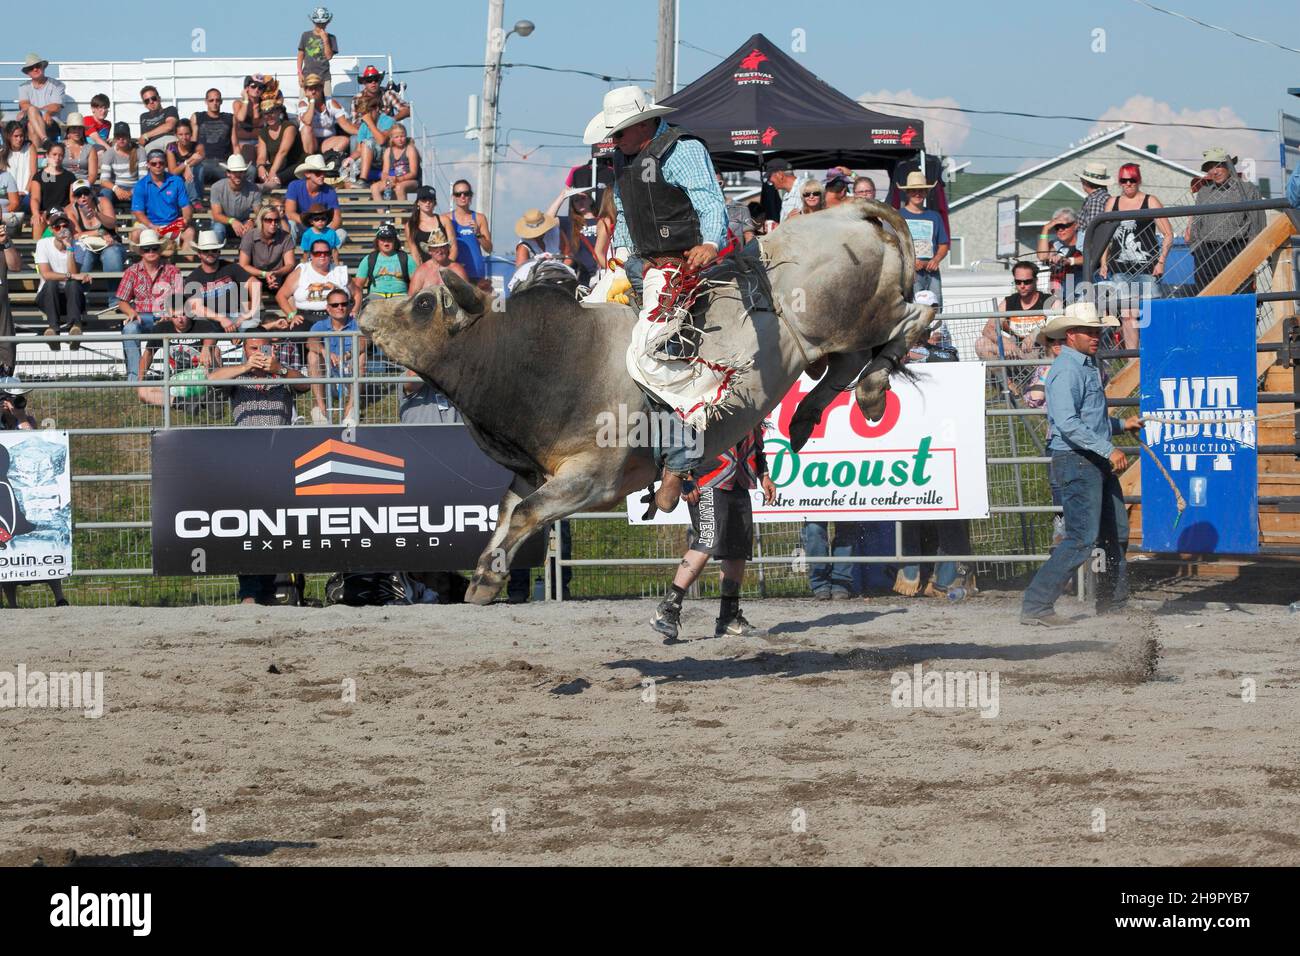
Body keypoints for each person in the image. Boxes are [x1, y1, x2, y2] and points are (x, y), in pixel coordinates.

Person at [582, 85, 728, 512]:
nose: (614, 141)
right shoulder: (624, 158)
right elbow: (624, 217)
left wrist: (711, 243)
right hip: (642, 266)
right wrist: (627, 259)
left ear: (642, 124)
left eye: (620, 132)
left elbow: (708, 201)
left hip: (681, 264)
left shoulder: (681, 149)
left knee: (648, 352)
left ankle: (679, 461)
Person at [1020, 303, 1141, 626]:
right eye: (1089, 331)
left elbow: (1088, 420)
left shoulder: (1084, 366)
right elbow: (1068, 424)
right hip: (1078, 460)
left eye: (1097, 330)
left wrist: (1120, 427)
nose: (1096, 336)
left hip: (1090, 459)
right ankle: (1037, 604)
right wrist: (1108, 447)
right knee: (1081, 537)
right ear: (1071, 335)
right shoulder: (1067, 370)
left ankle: (1112, 602)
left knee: (1113, 532)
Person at [208, 333, 310, 604]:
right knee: (248, 529)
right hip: (246, 461)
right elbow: (210, 380)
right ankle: (250, 592)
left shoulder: (281, 374)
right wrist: (245, 367)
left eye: (263, 348)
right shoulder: (238, 376)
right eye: (253, 348)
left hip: (282, 460)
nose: (259, 352)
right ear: (243, 349)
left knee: (286, 528)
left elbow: (306, 385)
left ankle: (289, 591)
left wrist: (281, 369)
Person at [651, 425, 776, 642]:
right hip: (707, 478)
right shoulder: (703, 395)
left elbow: (755, 435)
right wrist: (685, 478)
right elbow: (682, 433)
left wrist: (763, 473)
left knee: (737, 549)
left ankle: (728, 619)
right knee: (708, 539)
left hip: (740, 478)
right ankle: (667, 608)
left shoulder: (749, 396)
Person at [0, 376, 70, 609]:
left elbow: (34, 442)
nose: (20, 403)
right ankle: (12, 603)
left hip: (29, 488)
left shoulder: (26, 419)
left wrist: (20, 418)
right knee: (7, 549)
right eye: (15, 400)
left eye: (22, 399)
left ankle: (59, 597)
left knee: (44, 541)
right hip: (6, 489)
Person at [1098, 163, 1171, 350]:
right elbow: (1105, 236)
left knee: (1151, 313)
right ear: (1119, 182)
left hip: (1147, 267)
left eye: (1132, 180)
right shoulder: (1112, 203)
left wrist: (1161, 262)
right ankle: (1132, 358)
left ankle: (1155, 352)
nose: (1128, 184)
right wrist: (1103, 261)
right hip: (1120, 268)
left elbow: (1168, 234)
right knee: (1127, 313)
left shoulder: (1150, 201)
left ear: (1138, 180)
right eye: (1124, 180)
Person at [1187, 147, 1267, 294]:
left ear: (1229, 166)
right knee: (1206, 300)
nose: (1214, 171)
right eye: (1209, 168)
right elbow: (1196, 224)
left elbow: (1258, 225)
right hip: (1206, 254)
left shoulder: (1248, 189)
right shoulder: (1204, 192)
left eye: (1218, 165)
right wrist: (1197, 249)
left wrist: (1249, 255)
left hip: (1237, 250)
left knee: (1239, 298)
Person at [115, 229, 185, 379]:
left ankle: (180, 375)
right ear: (141, 251)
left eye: (154, 248)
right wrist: (131, 312)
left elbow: (179, 299)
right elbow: (122, 301)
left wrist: (170, 315)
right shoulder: (131, 272)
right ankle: (135, 379)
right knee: (130, 328)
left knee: (178, 324)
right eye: (147, 249)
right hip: (143, 317)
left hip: (167, 317)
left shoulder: (173, 271)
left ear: (160, 249)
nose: (151, 251)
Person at [306, 286, 366, 424]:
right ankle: (320, 409)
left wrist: (347, 355)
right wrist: (324, 351)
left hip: (350, 375)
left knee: (361, 357)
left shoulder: (357, 324)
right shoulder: (320, 325)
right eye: (335, 305)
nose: (340, 307)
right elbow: (310, 342)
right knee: (312, 356)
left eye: (344, 304)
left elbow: (364, 343)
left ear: (350, 306)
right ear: (328, 308)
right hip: (327, 378)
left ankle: (350, 410)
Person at [976, 261, 1054, 361]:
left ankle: (1045, 376)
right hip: (1015, 353)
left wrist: (1036, 334)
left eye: (1027, 282)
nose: (1022, 286)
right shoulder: (1009, 302)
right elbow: (987, 329)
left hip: (1041, 352)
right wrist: (1006, 343)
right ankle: (1003, 376)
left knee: (1055, 347)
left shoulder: (1049, 301)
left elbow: (1057, 324)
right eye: (1018, 282)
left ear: (1036, 280)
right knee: (981, 343)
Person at [34, 212, 89, 351]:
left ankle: (75, 329)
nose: (62, 229)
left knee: (73, 285)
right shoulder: (42, 244)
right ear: (52, 230)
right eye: (57, 227)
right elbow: (46, 274)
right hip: (48, 297)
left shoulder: (80, 245)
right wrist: (72, 276)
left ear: (70, 227)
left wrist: (69, 247)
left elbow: (74, 274)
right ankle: (53, 330)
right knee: (52, 283)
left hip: (72, 298)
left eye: (65, 225)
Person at [276, 237, 351, 335]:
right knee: (295, 340)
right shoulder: (302, 271)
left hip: (335, 318)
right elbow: (281, 296)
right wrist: (291, 315)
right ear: (311, 255)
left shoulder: (339, 271)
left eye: (326, 253)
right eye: (317, 253)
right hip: (305, 318)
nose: (322, 255)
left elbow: (357, 293)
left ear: (330, 254)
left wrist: (354, 310)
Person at [898, 170, 949, 306]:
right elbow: (895, 245)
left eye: (921, 190)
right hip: (910, 273)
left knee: (936, 309)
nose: (918, 194)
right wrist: (910, 261)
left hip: (932, 271)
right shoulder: (898, 216)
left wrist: (936, 259)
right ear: (907, 193)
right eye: (914, 190)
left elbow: (944, 243)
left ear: (926, 193)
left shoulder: (934, 216)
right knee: (914, 310)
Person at [131, 148, 195, 250]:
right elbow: (138, 212)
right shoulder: (140, 185)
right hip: (149, 225)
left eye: (161, 163)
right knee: (135, 234)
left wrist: (185, 220)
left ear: (165, 164)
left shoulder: (176, 181)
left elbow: (186, 207)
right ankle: (138, 264)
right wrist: (152, 226)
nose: (158, 165)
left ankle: (187, 264)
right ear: (148, 165)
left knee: (189, 233)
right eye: (154, 163)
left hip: (172, 224)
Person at [239, 204, 297, 319]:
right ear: (261, 220)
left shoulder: (285, 237)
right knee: (253, 285)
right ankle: (254, 322)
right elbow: (243, 264)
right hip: (254, 277)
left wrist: (275, 273)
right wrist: (265, 274)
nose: (273, 223)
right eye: (268, 220)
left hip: (278, 277)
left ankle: (293, 321)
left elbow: (290, 264)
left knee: (291, 294)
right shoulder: (250, 236)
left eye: (276, 220)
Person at [67, 178, 125, 273]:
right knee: (84, 256)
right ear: (75, 197)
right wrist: (99, 232)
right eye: (78, 194)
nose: (83, 197)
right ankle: (81, 287)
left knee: (112, 254)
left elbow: (112, 224)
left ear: (92, 193)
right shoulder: (71, 210)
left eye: (85, 192)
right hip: (87, 246)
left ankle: (114, 288)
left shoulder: (102, 202)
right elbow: (76, 236)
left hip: (110, 244)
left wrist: (96, 214)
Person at [284, 155, 345, 242]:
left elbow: (337, 219)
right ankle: (289, 254)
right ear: (307, 174)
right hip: (302, 226)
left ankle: (322, 254)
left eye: (323, 172)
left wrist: (322, 231)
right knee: (291, 224)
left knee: (341, 233)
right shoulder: (294, 186)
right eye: (318, 173)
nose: (322, 176)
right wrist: (311, 225)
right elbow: (290, 213)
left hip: (321, 227)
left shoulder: (330, 190)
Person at [447, 179, 493, 291]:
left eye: (466, 193)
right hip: (455, 271)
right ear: (453, 197)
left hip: (476, 272)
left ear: (471, 196)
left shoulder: (479, 218)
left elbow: (489, 249)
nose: (462, 196)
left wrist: (478, 234)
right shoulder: (446, 218)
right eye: (458, 194)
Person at [354, 223, 417, 303]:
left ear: (395, 240)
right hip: (375, 297)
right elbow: (358, 285)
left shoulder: (406, 258)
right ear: (377, 241)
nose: (386, 243)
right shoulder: (369, 259)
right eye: (382, 239)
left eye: (390, 239)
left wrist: (410, 299)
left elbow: (416, 284)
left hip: (400, 297)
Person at [208, 155, 261, 248]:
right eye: (234, 172)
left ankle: (247, 258)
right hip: (223, 222)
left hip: (243, 222)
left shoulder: (254, 189)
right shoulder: (216, 187)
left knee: (252, 230)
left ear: (245, 173)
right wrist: (232, 221)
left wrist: (251, 221)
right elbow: (216, 215)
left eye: (241, 172)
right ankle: (217, 258)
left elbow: (260, 214)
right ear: (228, 173)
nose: (238, 175)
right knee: (218, 229)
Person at [192, 88, 237, 196]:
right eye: (211, 100)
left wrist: (237, 161)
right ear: (206, 101)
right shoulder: (197, 117)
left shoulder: (230, 118)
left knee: (248, 172)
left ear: (221, 101)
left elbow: (235, 144)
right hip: (204, 162)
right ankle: (197, 201)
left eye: (217, 100)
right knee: (196, 170)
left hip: (223, 162)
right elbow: (193, 142)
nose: (215, 103)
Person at [296, 75, 352, 158]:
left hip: (328, 141)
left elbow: (345, 125)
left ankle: (327, 159)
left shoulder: (331, 102)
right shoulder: (303, 104)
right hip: (311, 143)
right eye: (310, 88)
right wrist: (312, 101)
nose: (313, 91)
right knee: (306, 128)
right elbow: (307, 121)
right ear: (305, 90)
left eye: (316, 88)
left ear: (321, 88)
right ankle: (310, 158)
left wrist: (362, 132)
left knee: (345, 140)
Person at [17, 54, 66, 148]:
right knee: (31, 119)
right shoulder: (23, 87)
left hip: (51, 122)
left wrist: (34, 111)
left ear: (43, 67)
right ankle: (44, 140)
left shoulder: (57, 85)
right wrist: (44, 112)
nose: (35, 69)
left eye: (38, 66)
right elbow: (24, 105)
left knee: (31, 122)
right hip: (42, 119)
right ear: (28, 73)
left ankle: (36, 158)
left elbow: (56, 106)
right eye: (31, 68)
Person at [29, 142, 76, 239]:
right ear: (47, 155)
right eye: (54, 154)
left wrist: (63, 212)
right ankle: (38, 250)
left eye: (60, 155)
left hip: (63, 212)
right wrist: (36, 213)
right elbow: (35, 198)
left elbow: (72, 200)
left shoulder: (70, 177)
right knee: (38, 220)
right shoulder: (38, 176)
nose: (57, 158)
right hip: (45, 213)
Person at [256, 105, 306, 190]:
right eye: (266, 114)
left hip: (293, 164)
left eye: (272, 113)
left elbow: (283, 152)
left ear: (279, 112)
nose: (269, 116)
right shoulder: (263, 132)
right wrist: (260, 167)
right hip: (277, 166)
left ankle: (265, 187)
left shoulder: (289, 127)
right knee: (256, 173)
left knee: (276, 177)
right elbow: (261, 156)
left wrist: (272, 172)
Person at [1037, 208, 1084, 297]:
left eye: (1063, 226)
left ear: (1075, 225)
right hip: (1065, 293)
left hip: (1085, 291)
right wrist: (1045, 229)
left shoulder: (1085, 238)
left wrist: (1070, 261)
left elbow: (1092, 257)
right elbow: (1042, 256)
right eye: (1057, 227)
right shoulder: (1056, 244)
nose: (1060, 230)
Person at [405, 185, 454, 266]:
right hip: (425, 268)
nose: (427, 202)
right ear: (418, 202)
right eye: (424, 199)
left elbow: (453, 247)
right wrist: (423, 271)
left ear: (434, 202)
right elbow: (414, 252)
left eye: (430, 199)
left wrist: (447, 266)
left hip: (446, 267)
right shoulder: (410, 225)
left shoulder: (444, 220)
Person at [1, 123, 36, 233]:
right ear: (8, 136)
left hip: (26, 193)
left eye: (21, 136)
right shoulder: (2, 152)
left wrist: (25, 191)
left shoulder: (30, 147)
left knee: (27, 202)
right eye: (15, 136)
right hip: (9, 194)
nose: (19, 139)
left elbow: (33, 173)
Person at [408, 227, 467, 293]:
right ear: (429, 250)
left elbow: (468, 296)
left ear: (447, 248)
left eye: (442, 247)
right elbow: (411, 297)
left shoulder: (457, 270)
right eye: (435, 248)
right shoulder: (421, 271)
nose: (439, 251)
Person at [371, 123, 419, 202]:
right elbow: (385, 171)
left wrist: (399, 179)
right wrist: (387, 178)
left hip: (410, 180)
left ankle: (402, 212)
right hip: (393, 179)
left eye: (402, 136)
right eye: (396, 137)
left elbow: (413, 173)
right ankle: (382, 213)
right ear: (392, 138)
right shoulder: (388, 151)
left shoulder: (410, 149)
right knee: (374, 188)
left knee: (399, 187)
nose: (400, 139)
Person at [298, 7, 339, 96]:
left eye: (323, 23)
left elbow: (328, 56)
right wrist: (300, 74)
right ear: (313, 22)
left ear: (328, 22)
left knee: (327, 104)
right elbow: (300, 55)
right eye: (318, 23)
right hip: (307, 77)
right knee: (304, 105)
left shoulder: (331, 38)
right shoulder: (305, 35)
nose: (321, 25)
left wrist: (325, 39)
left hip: (324, 78)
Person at [98, 123, 138, 212]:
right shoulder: (109, 153)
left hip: (135, 186)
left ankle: (138, 222)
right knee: (105, 193)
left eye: (124, 136)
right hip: (116, 187)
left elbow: (144, 178)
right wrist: (116, 189)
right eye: (118, 136)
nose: (121, 139)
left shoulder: (139, 150)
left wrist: (132, 191)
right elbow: (103, 180)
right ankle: (108, 222)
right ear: (114, 138)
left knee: (143, 192)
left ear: (129, 137)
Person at [165, 119, 205, 209]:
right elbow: (173, 172)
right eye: (180, 134)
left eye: (187, 134)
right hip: (178, 180)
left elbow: (199, 159)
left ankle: (195, 201)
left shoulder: (198, 146)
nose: (184, 137)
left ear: (191, 134)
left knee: (198, 167)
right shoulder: (171, 147)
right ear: (176, 135)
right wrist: (188, 161)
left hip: (192, 179)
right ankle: (193, 202)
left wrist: (188, 166)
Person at [1075, 162, 1112, 253]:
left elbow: (1094, 229)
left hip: (1093, 250)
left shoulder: (1095, 200)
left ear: (1085, 182)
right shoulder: (1105, 197)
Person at [763, 157, 811, 225]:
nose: (769, 181)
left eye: (769, 177)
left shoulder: (807, 187)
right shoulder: (787, 195)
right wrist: (778, 226)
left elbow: (814, 216)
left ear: (780, 175)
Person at [58, 115, 100, 192]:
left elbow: (92, 176)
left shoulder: (90, 148)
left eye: (80, 128)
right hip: (62, 186)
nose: (77, 131)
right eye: (74, 128)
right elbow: (52, 169)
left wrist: (82, 188)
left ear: (83, 130)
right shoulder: (60, 147)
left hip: (84, 186)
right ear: (68, 130)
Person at [233, 75, 267, 163]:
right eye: (253, 86)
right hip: (243, 142)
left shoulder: (264, 105)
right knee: (248, 153)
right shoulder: (238, 103)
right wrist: (246, 100)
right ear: (246, 88)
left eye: (260, 87)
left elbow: (260, 124)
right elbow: (240, 118)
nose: (257, 89)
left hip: (259, 142)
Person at [717, 172, 755, 248]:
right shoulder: (699, 210)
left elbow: (749, 237)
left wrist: (748, 257)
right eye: (712, 184)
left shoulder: (741, 208)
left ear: (724, 184)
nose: (716, 187)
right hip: (711, 258)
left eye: (719, 183)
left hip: (735, 257)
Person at [137, 86, 180, 154]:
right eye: (147, 101)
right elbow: (142, 140)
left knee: (171, 148)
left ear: (159, 98)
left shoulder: (170, 109)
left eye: (153, 98)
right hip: (152, 145)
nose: (151, 102)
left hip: (169, 139)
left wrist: (146, 135)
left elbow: (169, 126)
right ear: (145, 104)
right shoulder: (143, 116)